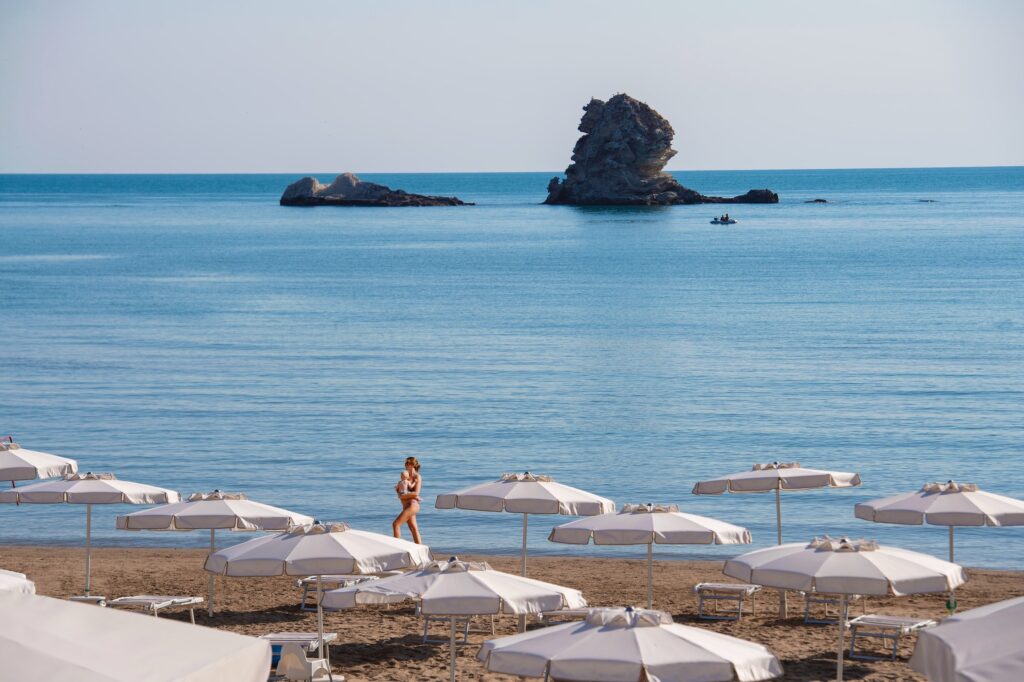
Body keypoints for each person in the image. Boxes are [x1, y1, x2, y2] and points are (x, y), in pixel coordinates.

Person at [392, 456, 423, 544]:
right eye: (405, 464)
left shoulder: (417, 477)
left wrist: (402, 496)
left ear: (412, 465)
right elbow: (401, 491)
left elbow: (416, 493)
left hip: (412, 505)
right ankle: (421, 550)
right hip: (406, 505)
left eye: (407, 463)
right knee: (413, 528)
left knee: (396, 524)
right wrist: (398, 491)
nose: (405, 465)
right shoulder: (405, 476)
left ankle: (397, 549)